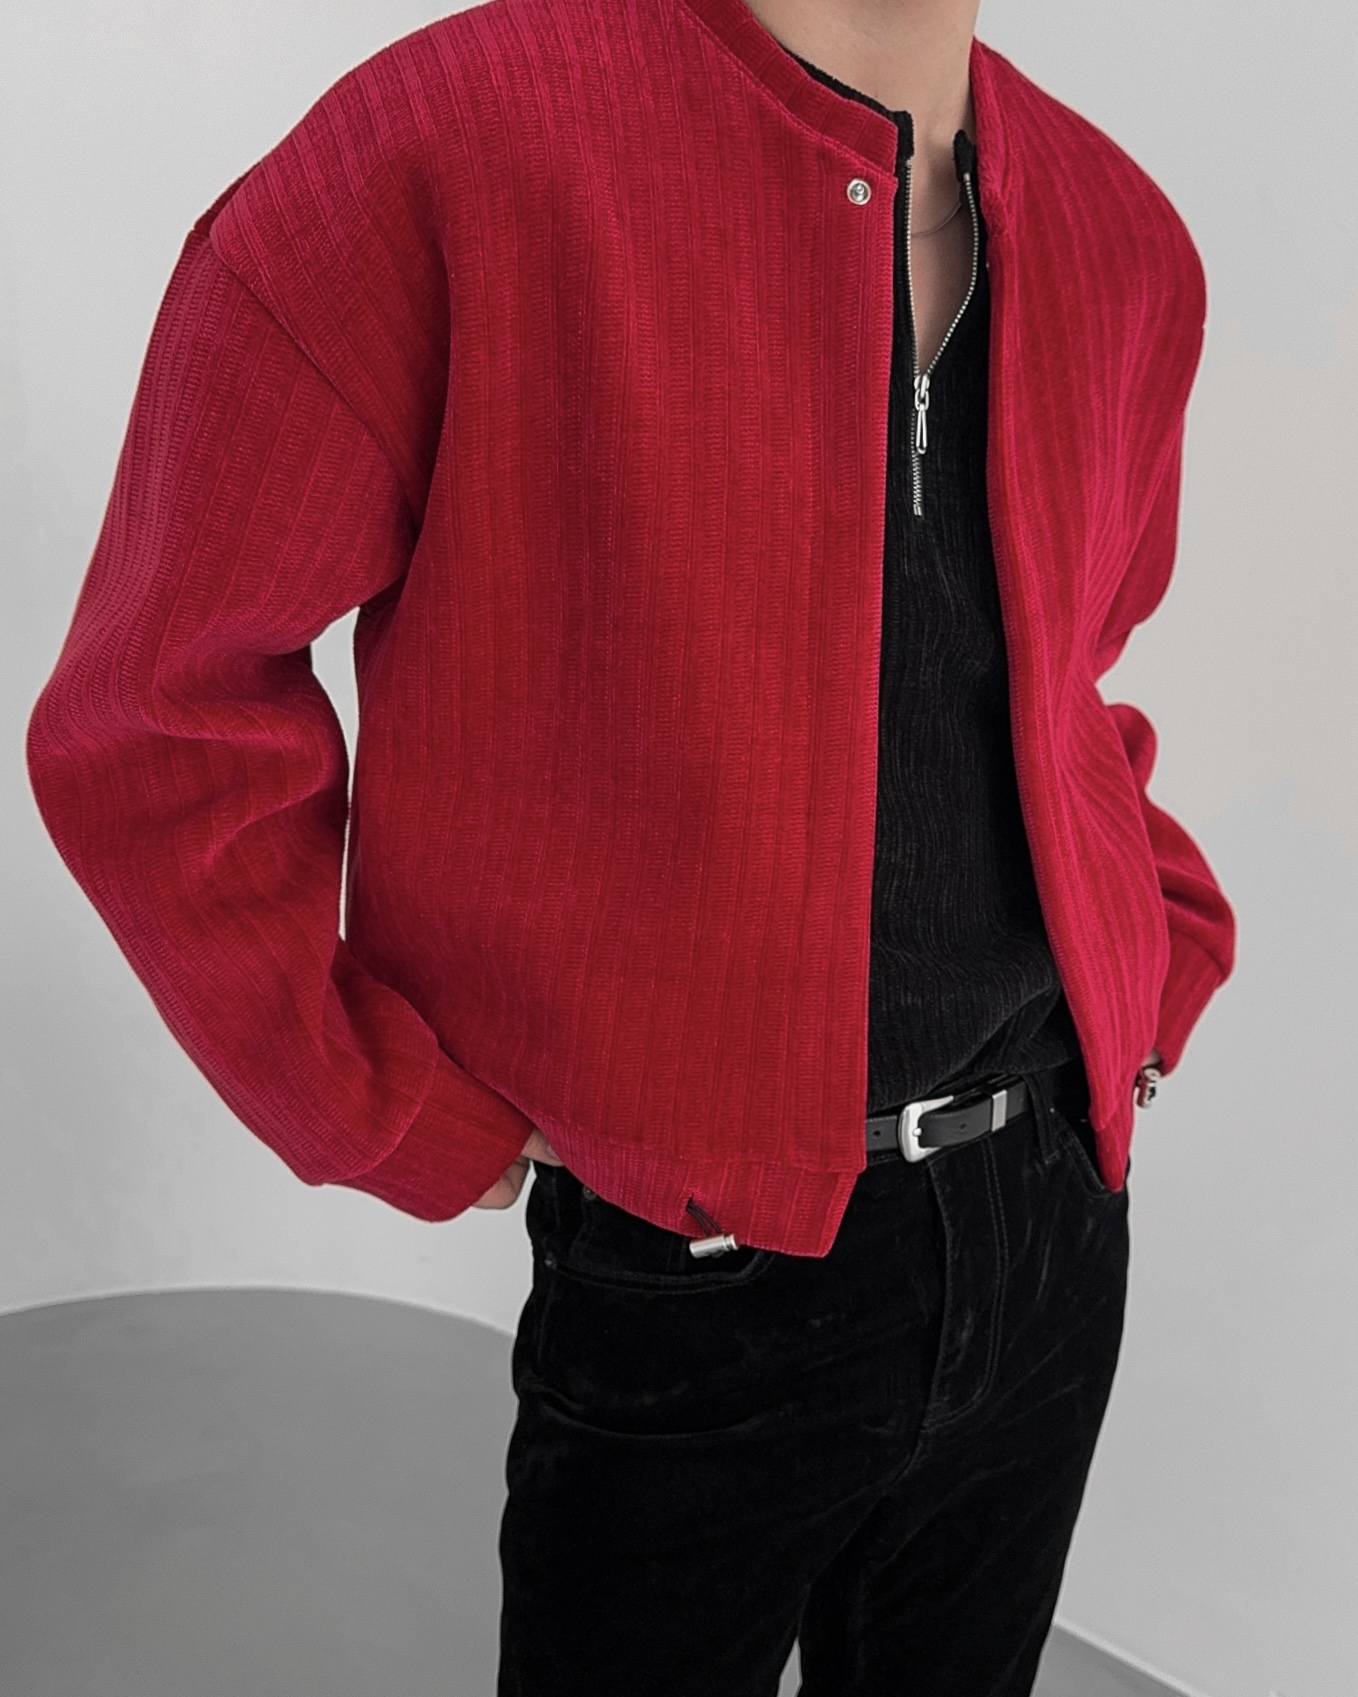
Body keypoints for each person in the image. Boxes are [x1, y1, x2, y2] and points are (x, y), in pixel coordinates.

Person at [26, 0, 1236, 1690]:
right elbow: (154, 718)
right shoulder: (457, 144)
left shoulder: (1122, 233)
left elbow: (1062, 673)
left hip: (1050, 1211)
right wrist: (378, 1096)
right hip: (692, 1263)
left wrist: (1150, 949)